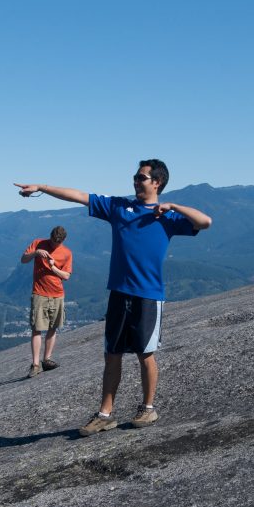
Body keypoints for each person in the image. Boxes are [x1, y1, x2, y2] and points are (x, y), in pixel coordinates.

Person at [15, 160, 211, 432]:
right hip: (119, 293)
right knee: (112, 355)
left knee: (146, 354)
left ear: (157, 182)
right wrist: (42, 188)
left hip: (148, 296)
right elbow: (80, 196)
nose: (135, 181)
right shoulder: (120, 207)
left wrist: (174, 206)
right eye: (135, 176)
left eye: (141, 177)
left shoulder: (167, 216)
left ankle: (148, 409)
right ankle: (105, 414)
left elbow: (205, 222)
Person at [21, 225, 73, 378]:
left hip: (57, 294)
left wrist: (53, 267)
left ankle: (46, 359)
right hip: (39, 293)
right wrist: (35, 253)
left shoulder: (67, 253)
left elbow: (66, 276)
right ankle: (35, 364)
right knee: (37, 328)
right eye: (52, 242)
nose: (53, 245)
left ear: (63, 240)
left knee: (53, 327)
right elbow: (23, 259)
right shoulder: (38, 243)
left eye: (56, 243)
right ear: (49, 237)